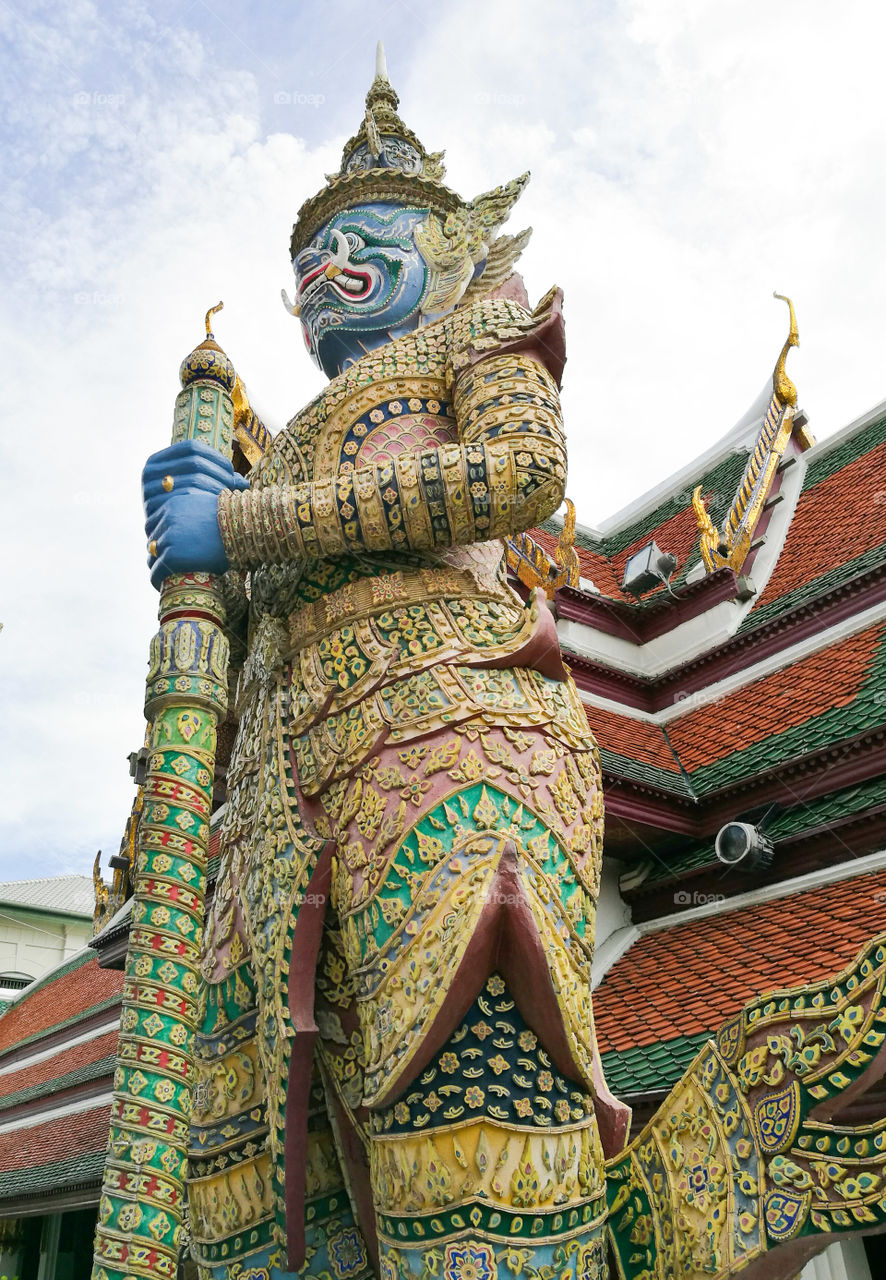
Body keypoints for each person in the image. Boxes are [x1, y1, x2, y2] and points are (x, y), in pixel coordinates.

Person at [144, 50, 625, 1280]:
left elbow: (519, 476)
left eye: (360, 238)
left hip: (450, 738)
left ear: (448, 247)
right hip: (267, 806)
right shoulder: (278, 441)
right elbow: (237, 633)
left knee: (464, 1118)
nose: (322, 271)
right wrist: (197, 591)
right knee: (251, 1182)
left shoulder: (478, 328)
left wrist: (238, 524)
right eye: (305, 259)